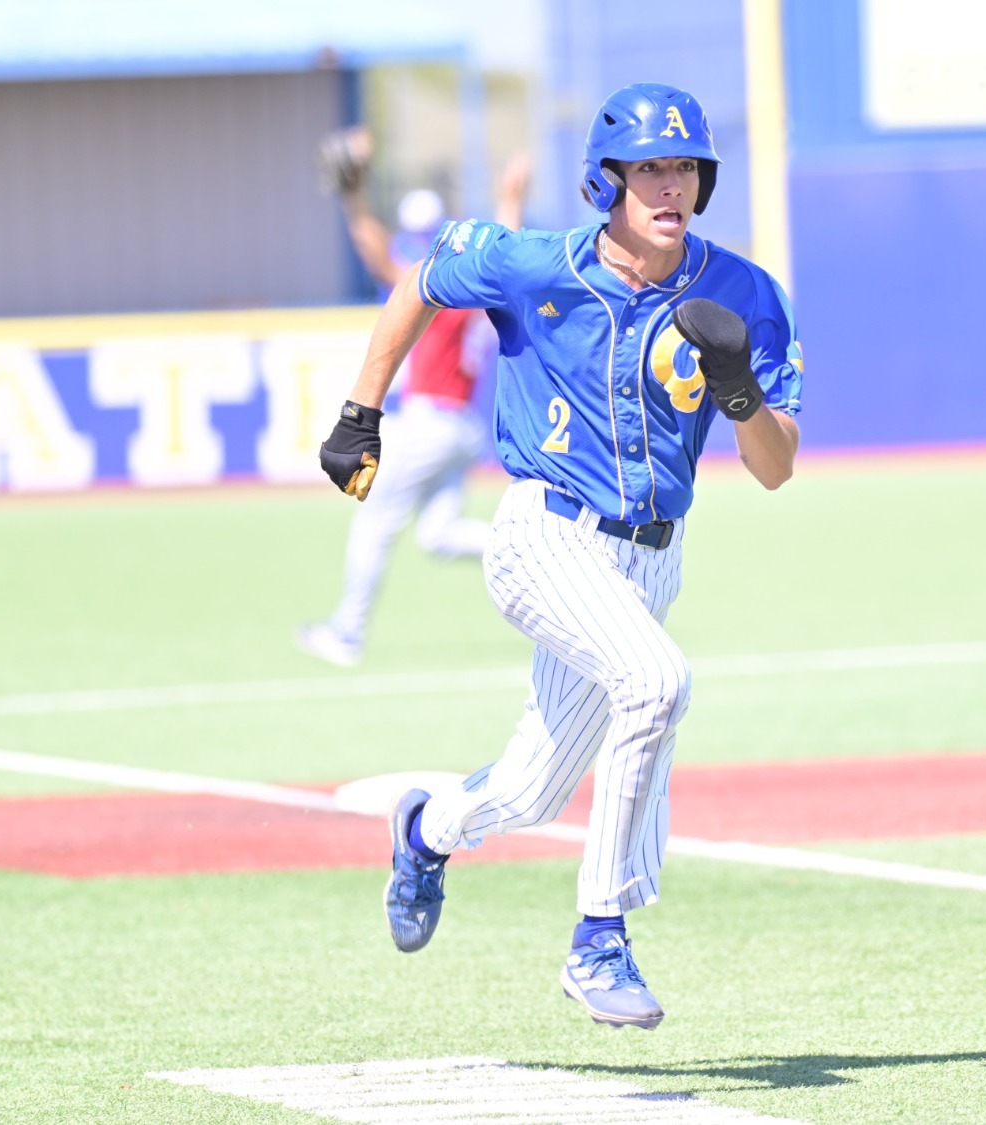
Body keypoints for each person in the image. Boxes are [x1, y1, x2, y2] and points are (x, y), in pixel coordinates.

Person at [315, 83, 804, 1027]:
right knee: (656, 684)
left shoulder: (745, 293)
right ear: (606, 180)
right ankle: (599, 938)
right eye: (649, 168)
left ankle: (424, 830)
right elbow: (420, 280)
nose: (672, 185)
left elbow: (775, 468)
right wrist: (360, 412)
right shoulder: (535, 264)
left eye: (686, 167)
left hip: (650, 560)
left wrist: (739, 388)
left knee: (531, 790)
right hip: (543, 533)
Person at [296, 132, 531, 667]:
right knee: (439, 535)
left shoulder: (437, 285)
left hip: (431, 421)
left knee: (374, 519)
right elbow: (511, 253)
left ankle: (346, 633)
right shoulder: (473, 284)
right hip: (462, 425)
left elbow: (379, 256)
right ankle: (536, 550)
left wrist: (353, 200)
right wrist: (510, 199)